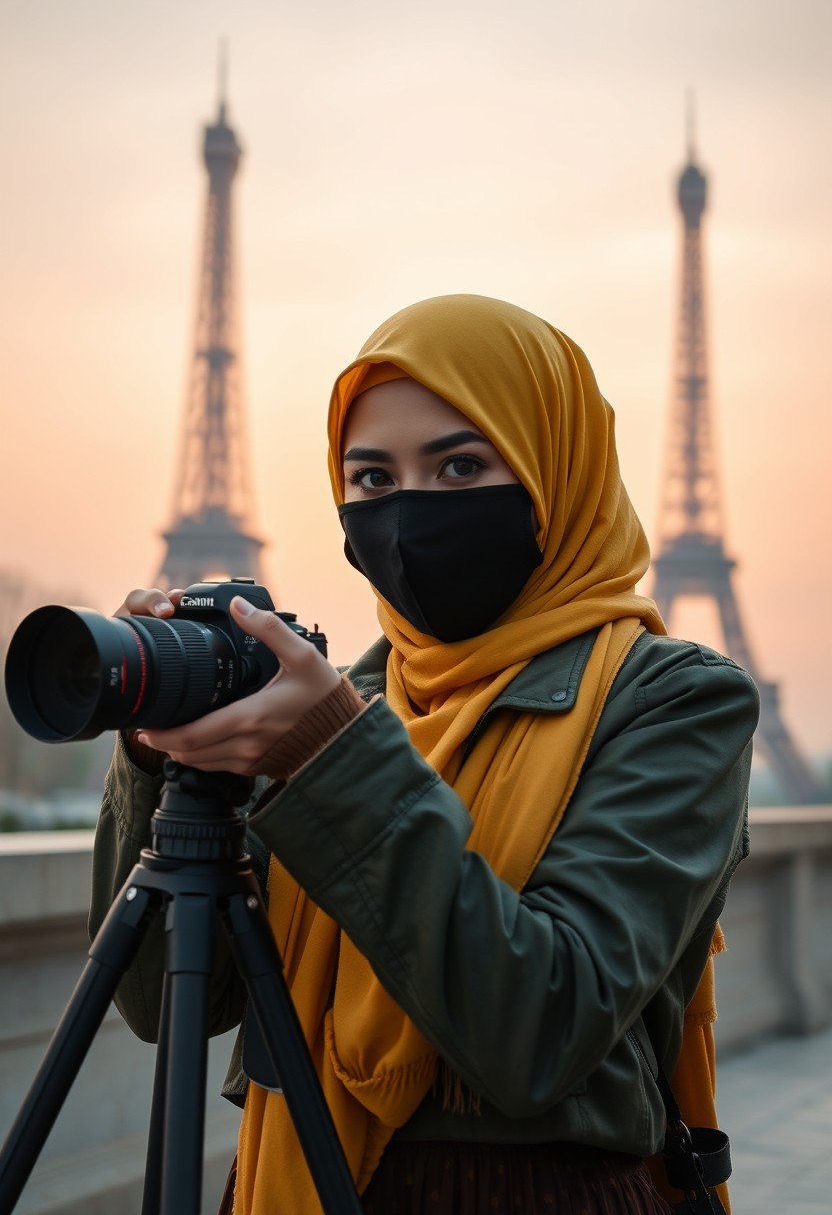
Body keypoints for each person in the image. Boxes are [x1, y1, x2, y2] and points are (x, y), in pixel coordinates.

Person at [90, 293, 760, 1215]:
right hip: (294, 1177)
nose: (408, 513)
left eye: (459, 464)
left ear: (555, 470)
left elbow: (541, 1031)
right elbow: (167, 1008)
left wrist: (332, 758)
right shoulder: (352, 699)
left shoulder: (676, 699)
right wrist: (157, 762)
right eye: (371, 479)